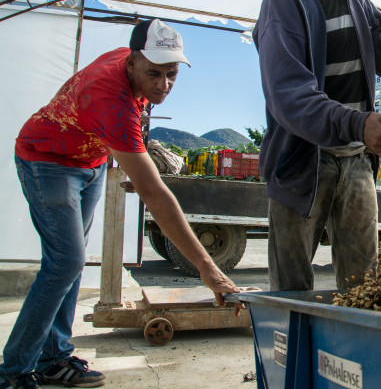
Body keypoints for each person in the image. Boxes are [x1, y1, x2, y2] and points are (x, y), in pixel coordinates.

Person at [1, 19, 242, 389]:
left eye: (172, 74)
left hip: (90, 162)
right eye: (154, 74)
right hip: (47, 160)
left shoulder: (127, 62)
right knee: (65, 261)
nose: (163, 85)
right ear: (131, 63)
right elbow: (155, 195)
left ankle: (53, 358)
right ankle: (13, 371)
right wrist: (209, 270)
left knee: (70, 264)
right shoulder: (111, 101)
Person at [255, 0, 381, 292]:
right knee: (292, 289)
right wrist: (359, 124)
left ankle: (352, 337)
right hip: (303, 163)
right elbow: (290, 98)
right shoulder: (282, 4)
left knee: (363, 285)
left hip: (356, 161)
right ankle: (295, 337)